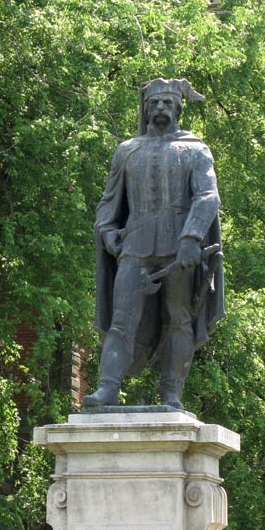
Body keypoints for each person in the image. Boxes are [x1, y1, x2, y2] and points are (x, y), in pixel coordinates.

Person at [83, 78, 224, 410]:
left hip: (180, 247)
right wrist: (107, 232)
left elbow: (207, 195)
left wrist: (191, 237)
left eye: (167, 103)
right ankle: (107, 388)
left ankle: (172, 393)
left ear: (177, 108)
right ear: (145, 109)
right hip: (135, 246)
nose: (160, 108)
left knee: (179, 318)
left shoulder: (195, 149)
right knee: (122, 319)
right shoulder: (127, 150)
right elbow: (108, 203)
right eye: (154, 103)